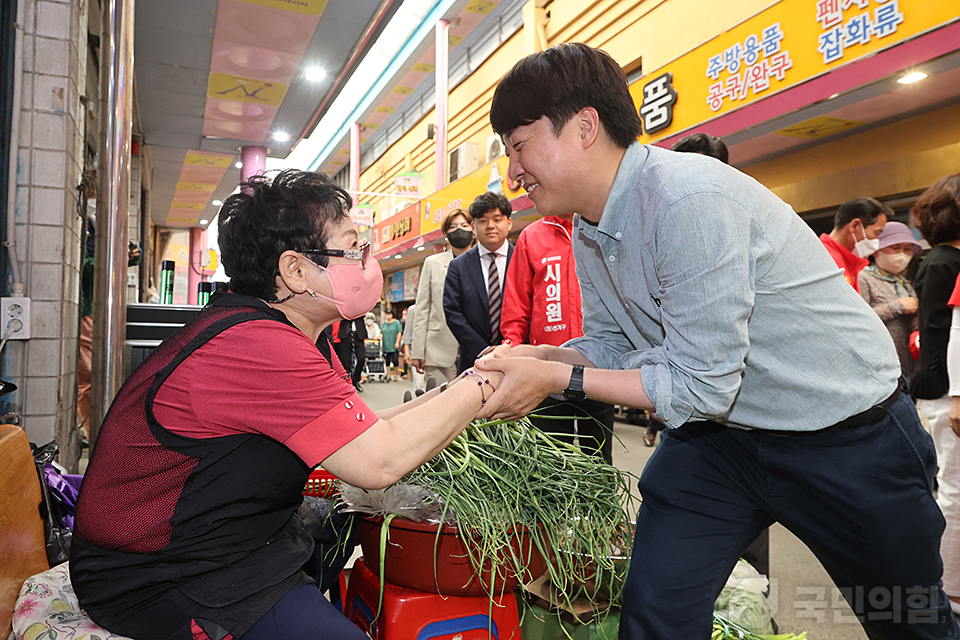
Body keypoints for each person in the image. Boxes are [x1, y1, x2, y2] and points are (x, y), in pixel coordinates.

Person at [479, 43, 957, 639]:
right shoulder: (590, 227)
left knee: (908, 623)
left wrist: (556, 377)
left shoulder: (689, 200)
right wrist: (544, 356)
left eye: (519, 145)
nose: (513, 171)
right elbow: (611, 344)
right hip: (720, 442)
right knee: (656, 611)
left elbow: (701, 383)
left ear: (583, 127)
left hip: (846, 436)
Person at [69, 169, 503, 640]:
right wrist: (481, 386)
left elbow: (363, 427)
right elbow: (379, 462)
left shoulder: (296, 334)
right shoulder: (256, 344)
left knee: (338, 529)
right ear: (295, 270)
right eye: (352, 249)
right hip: (162, 574)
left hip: (233, 544)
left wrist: (463, 387)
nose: (365, 264)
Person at [670, 130, 771, 583]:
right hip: (705, 410)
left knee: (751, 521)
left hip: (754, 406)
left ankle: (750, 592)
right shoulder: (671, 225)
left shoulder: (738, 216)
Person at [500, 210, 615, 462]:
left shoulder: (603, 227)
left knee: (599, 461)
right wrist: (512, 352)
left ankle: (599, 503)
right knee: (550, 461)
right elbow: (516, 303)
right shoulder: (532, 237)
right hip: (547, 374)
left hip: (599, 367)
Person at [912, 174, 960, 615]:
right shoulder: (944, 261)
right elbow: (942, 330)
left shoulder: (940, 259)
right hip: (945, 387)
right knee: (951, 486)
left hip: (943, 384)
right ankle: (948, 583)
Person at [444, 192, 514, 373]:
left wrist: (512, 346)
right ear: (473, 227)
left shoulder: (524, 259)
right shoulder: (458, 266)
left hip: (518, 356)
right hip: (474, 359)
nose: (490, 226)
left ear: (509, 222)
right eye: (482, 221)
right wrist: (483, 349)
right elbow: (453, 313)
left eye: (497, 219)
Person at [410, 208, 474, 389]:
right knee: (440, 402)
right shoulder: (433, 263)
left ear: (473, 228)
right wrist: (417, 352)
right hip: (437, 349)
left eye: (464, 225)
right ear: (445, 234)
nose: (459, 230)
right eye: (453, 227)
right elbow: (422, 309)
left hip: (475, 348)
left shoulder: (482, 262)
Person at [858, 221, 922, 388]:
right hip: (881, 365)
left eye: (907, 248)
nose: (902, 254)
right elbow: (861, 318)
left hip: (909, 364)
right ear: (877, 250)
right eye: (895, 247)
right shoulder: (864, 277)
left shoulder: (903, 282)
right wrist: (897, 306)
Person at [819, 197, 891, 291]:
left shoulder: (851, 262)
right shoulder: (823, 257)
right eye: (876, 233)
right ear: (855, 226)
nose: (877, 240)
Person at [332, 316, 367, 392]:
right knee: (346, 362)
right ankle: (348, 384)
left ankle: (356, 379)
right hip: (345, 334)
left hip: (358, 335)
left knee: (362, 358)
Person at [401, 304, 424, 389]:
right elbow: (408, 332)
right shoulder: (413, 309)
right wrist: (406, 351)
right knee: (419, 384)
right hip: (416, 351)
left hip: (435, 352)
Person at [380, 308, 403, 381]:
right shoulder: (384, 324)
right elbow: (381, 333)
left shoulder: (396, 323)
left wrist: (397, 342)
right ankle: (389, 375)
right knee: (387, 360)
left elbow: (399, 332)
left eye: (389, 314)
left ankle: (395, 375)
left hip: (393, 344)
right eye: (386, 314)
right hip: (386, 345)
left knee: (395, 360)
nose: (388, 315)